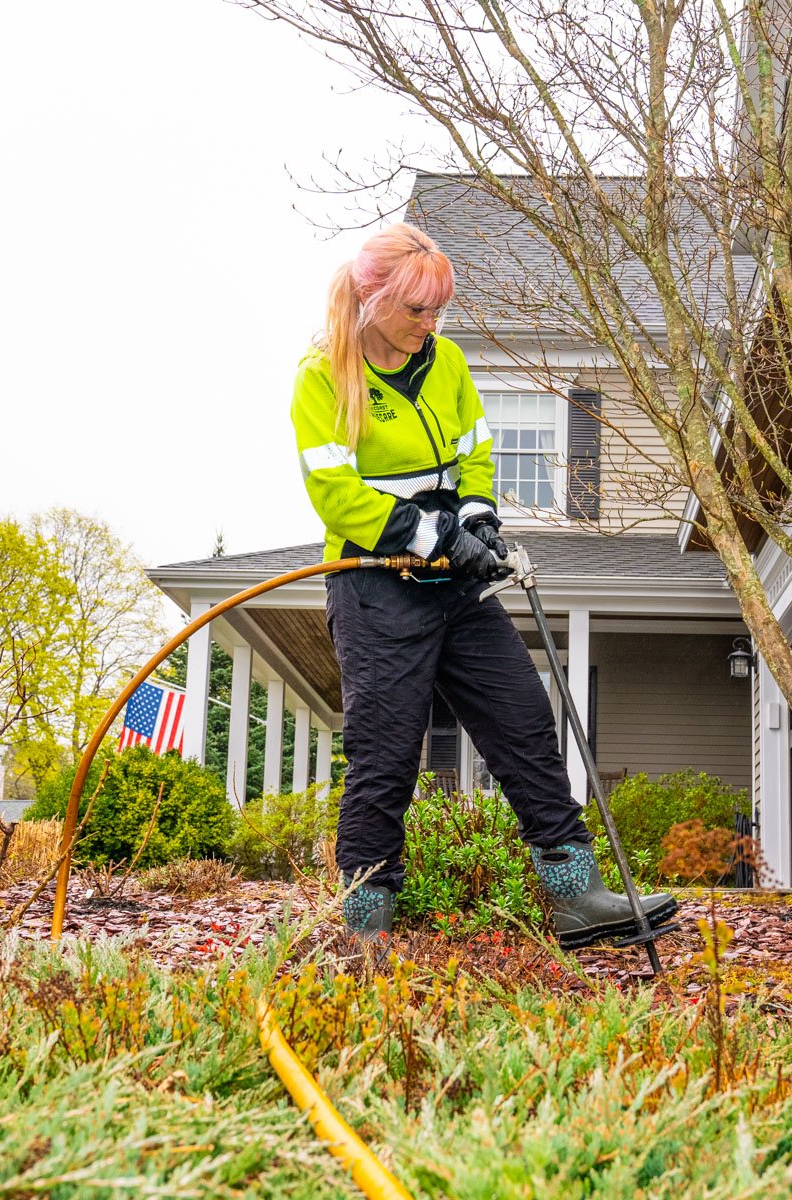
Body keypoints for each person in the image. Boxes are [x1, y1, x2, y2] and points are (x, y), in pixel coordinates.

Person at [290, 222, 677, 948]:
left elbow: (475, 452)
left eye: (440, 310)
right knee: (385, 760)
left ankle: (577, 896)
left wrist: (481, 524)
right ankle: (363, 933)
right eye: (417, 310)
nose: (431, 325)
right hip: (376, 587)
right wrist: (439, 540)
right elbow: (338, 497)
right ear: (373, 299)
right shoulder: (323, 376)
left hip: (458, 585)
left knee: (525, 725)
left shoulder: (446, 364)